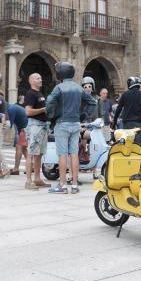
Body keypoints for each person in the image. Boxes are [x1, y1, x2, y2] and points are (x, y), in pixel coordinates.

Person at [45, 62, 97, 194]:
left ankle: (62, 185)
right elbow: (92, 102)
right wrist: (83, 115)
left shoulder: (59, 87)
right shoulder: (79, 88)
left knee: (62, 154)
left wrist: (51, 115)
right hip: (75, 124)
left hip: (62, 123)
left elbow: (49, 102)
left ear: (61, 73)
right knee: (74, 154)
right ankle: (74, 185)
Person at [24, 73, 50, 190]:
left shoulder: (39, 93)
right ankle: (28, 181)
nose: (40, 79)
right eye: (37, 78)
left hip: (43, 126)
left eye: (40, 77)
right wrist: (43, 109)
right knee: (31, 153)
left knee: (39, 154)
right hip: (35, 125)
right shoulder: (30, 94)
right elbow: (28, 112)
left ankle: (38, 179)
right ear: (31, 81)